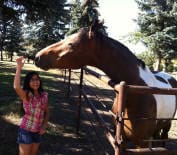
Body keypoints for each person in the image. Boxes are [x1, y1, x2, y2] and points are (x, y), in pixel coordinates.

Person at [14, 56, 49, 155]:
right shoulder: (27, 95)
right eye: (32, 80)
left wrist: (44, 125)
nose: (35, 82)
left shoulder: (44, 95)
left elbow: (47, 112)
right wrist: (19, 67)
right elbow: (16, 87)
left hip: (38, 131)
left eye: (37, 79)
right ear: (28, 83)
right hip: (26, 131)